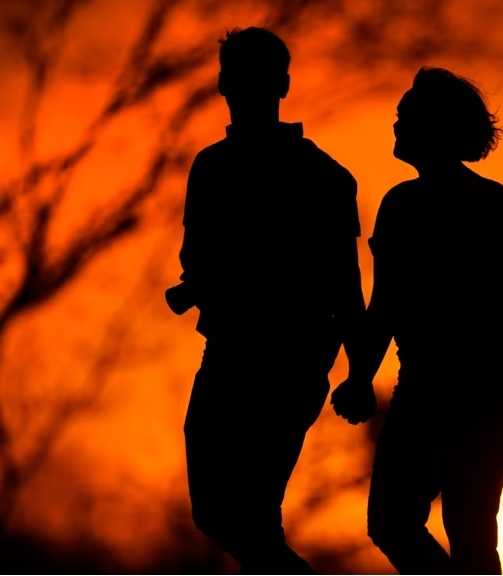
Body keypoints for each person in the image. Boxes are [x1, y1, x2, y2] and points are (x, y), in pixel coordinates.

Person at [331, 67, 503, 575]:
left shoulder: (433, 206)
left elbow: (385, 305)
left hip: (462, 390)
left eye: (406, 118)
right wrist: (361, 376)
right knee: (433, 529)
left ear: (437, 128)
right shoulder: (466, 203)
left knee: (433, 526)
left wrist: (362, 377)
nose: (396, 126)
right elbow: (387, 305)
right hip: (451, 389)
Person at [166, 27, 364, 574]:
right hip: (229, 354)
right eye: (238, 76)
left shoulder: (322, 176)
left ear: (281, 84)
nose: (245, 87)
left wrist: (359, 371)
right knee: (219, 515)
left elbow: (345, 286)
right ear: (225, 84)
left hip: (291, 361)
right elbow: (196, 260)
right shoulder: (211, 169)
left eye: (256, 76)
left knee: (249, 517)